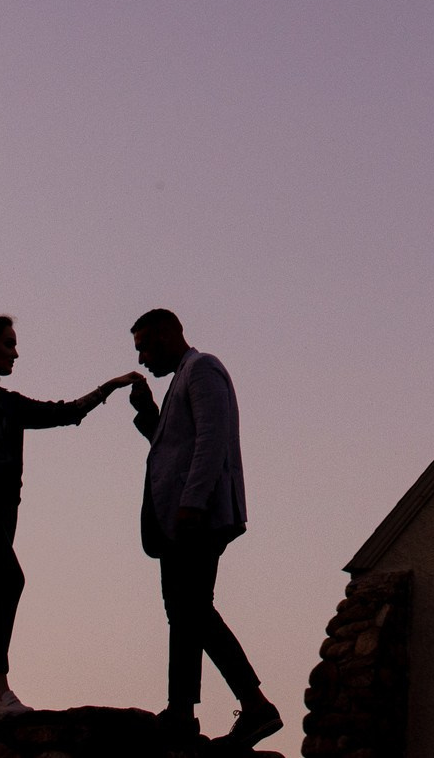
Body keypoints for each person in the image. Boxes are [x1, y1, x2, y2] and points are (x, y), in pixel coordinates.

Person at [0, 314, 139, 722]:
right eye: (8, 344)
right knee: (9, 580)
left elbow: (67, 412)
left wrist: (109, 387)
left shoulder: (10, 404)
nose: (15, 352)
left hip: (5, 512)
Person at [127, 309, 282, 749]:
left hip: (195, 516)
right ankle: (186, 710)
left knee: (190, 608)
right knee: (186, 610)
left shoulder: (202, 369)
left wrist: (192, 503)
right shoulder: (184, 378)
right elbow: (177, 443)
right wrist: (148, 415)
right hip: (181, 518)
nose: (142, 358)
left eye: (145, 346)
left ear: (168, 333)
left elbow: (212, 439)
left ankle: (250, 706)